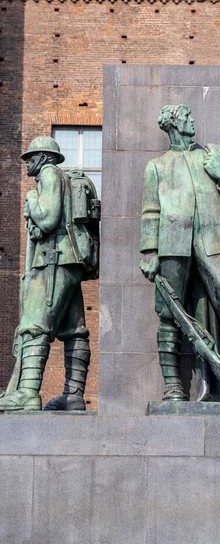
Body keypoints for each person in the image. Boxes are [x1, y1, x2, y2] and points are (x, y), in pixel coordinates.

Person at [139, 104, 220, 404]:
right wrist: (149, 251)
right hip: (172, 244)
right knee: (169, 313)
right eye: (187, 117)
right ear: (174, 123)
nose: (193, 120)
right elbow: (150, 212)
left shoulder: (212, 157)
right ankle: (174, 387)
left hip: (214, 241)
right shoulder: (157, 167)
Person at [0, 136, 99, 412]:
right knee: (74, 330)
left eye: (31, 157)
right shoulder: (61, 178)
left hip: (53, 261)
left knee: (33, 326)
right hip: (68, 262)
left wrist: (32, 201)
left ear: (44, 157)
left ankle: (28, 393)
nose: (28, 162)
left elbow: (48, 217)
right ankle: (74, 395)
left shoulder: (49, 175)